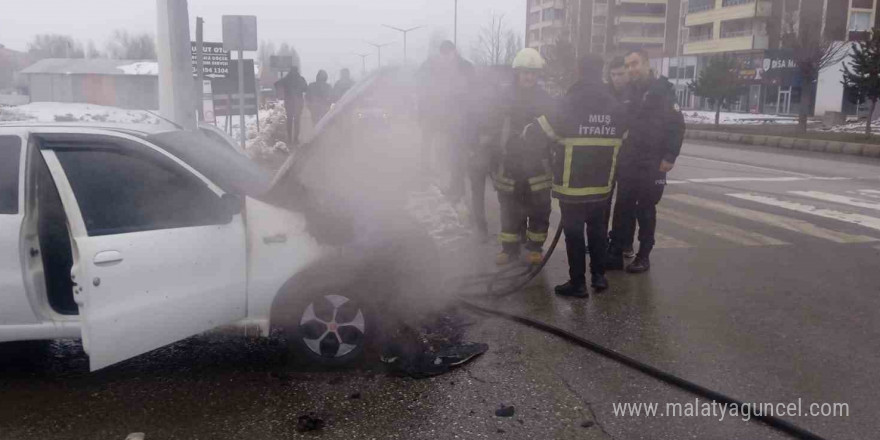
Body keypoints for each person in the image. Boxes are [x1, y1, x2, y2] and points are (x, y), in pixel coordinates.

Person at [524, 54, 625, 297]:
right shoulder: (615, 104)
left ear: (579, 71)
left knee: (574, 233)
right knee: (598, 230)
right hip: (603, 184)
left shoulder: (568, 102)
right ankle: (599, 277)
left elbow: (535, 133)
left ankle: (578, 282)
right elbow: (624, 137)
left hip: (573, 185)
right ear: (600, 71)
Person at [607, 49, 685, 273]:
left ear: (647, 64)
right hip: (629, 159)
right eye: (628, 65)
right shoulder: (628, 92)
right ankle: (619, 250)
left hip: (653, 161)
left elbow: (677, 126)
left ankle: (644, 255)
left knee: (646, 208)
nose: (631, 69)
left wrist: (670, 156)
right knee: (623, 206)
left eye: (635, 64)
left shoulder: (663, 91)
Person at [490, 48, 554, 266]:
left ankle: (535, 247)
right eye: (526, 72)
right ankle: (509, 248)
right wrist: (492, 157)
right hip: (509, 162)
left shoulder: (546, 99)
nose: (529, 77)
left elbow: (555, 129)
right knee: (509, 207)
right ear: (517, 72)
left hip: (538, 164)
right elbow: (492, 129)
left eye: (533, 73)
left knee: (539, 206)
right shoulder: (504, 97)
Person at [416, 40, 475, 182]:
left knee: (455, 149)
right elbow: (424, 88)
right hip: (437, 114)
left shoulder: (465, 67)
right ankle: (433, 173)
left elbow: (472, 90)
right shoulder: (435, 67)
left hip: (458, 115)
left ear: (454, 51)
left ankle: (455, 182)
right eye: (443, 54)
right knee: (435, 143)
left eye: (448, 53)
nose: (446, 57)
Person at [605, 56, 635, 259]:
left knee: (626, 201)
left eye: (620, 74)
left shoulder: (635, 93)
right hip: (606, 155)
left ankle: (624, 242)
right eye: (613, 75)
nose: (617, 78)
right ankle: (600, 240)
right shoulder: (604, 93)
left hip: (628, 156)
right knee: (602, 200)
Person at [274, 66, 307, 145]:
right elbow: (306, 89)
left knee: (289, 119)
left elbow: (276, 84)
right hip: (298, 102)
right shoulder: (301, 79)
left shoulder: (287, 79)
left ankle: (289, 137)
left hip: (289, 101)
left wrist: (284, 90)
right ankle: (296, 138)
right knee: (297, 120)